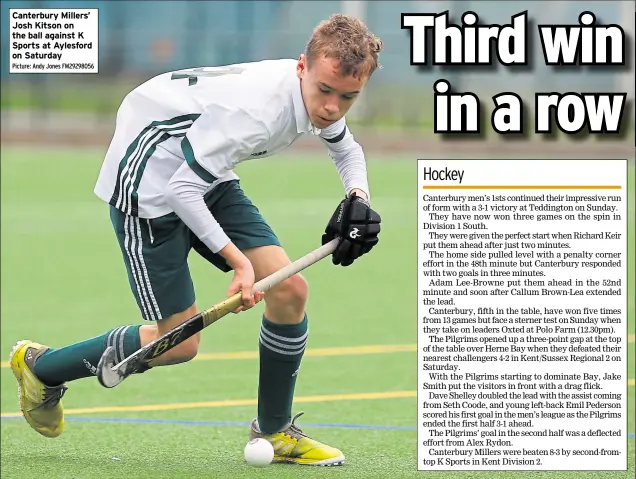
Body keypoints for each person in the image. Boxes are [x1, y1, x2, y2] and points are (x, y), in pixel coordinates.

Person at [9, 13, 382, 467]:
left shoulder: (312, 95)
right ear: (302, 66)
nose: (332, 107)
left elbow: (344, 147)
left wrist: (358, 197)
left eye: (348, 97)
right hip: (147, 183)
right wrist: (240, 265)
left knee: (288, 290)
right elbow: (179, 190)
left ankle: (275, 430)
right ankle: (41, 367)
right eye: (325, 91)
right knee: (180, 343)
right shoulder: (257, 113)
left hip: (202, 171)